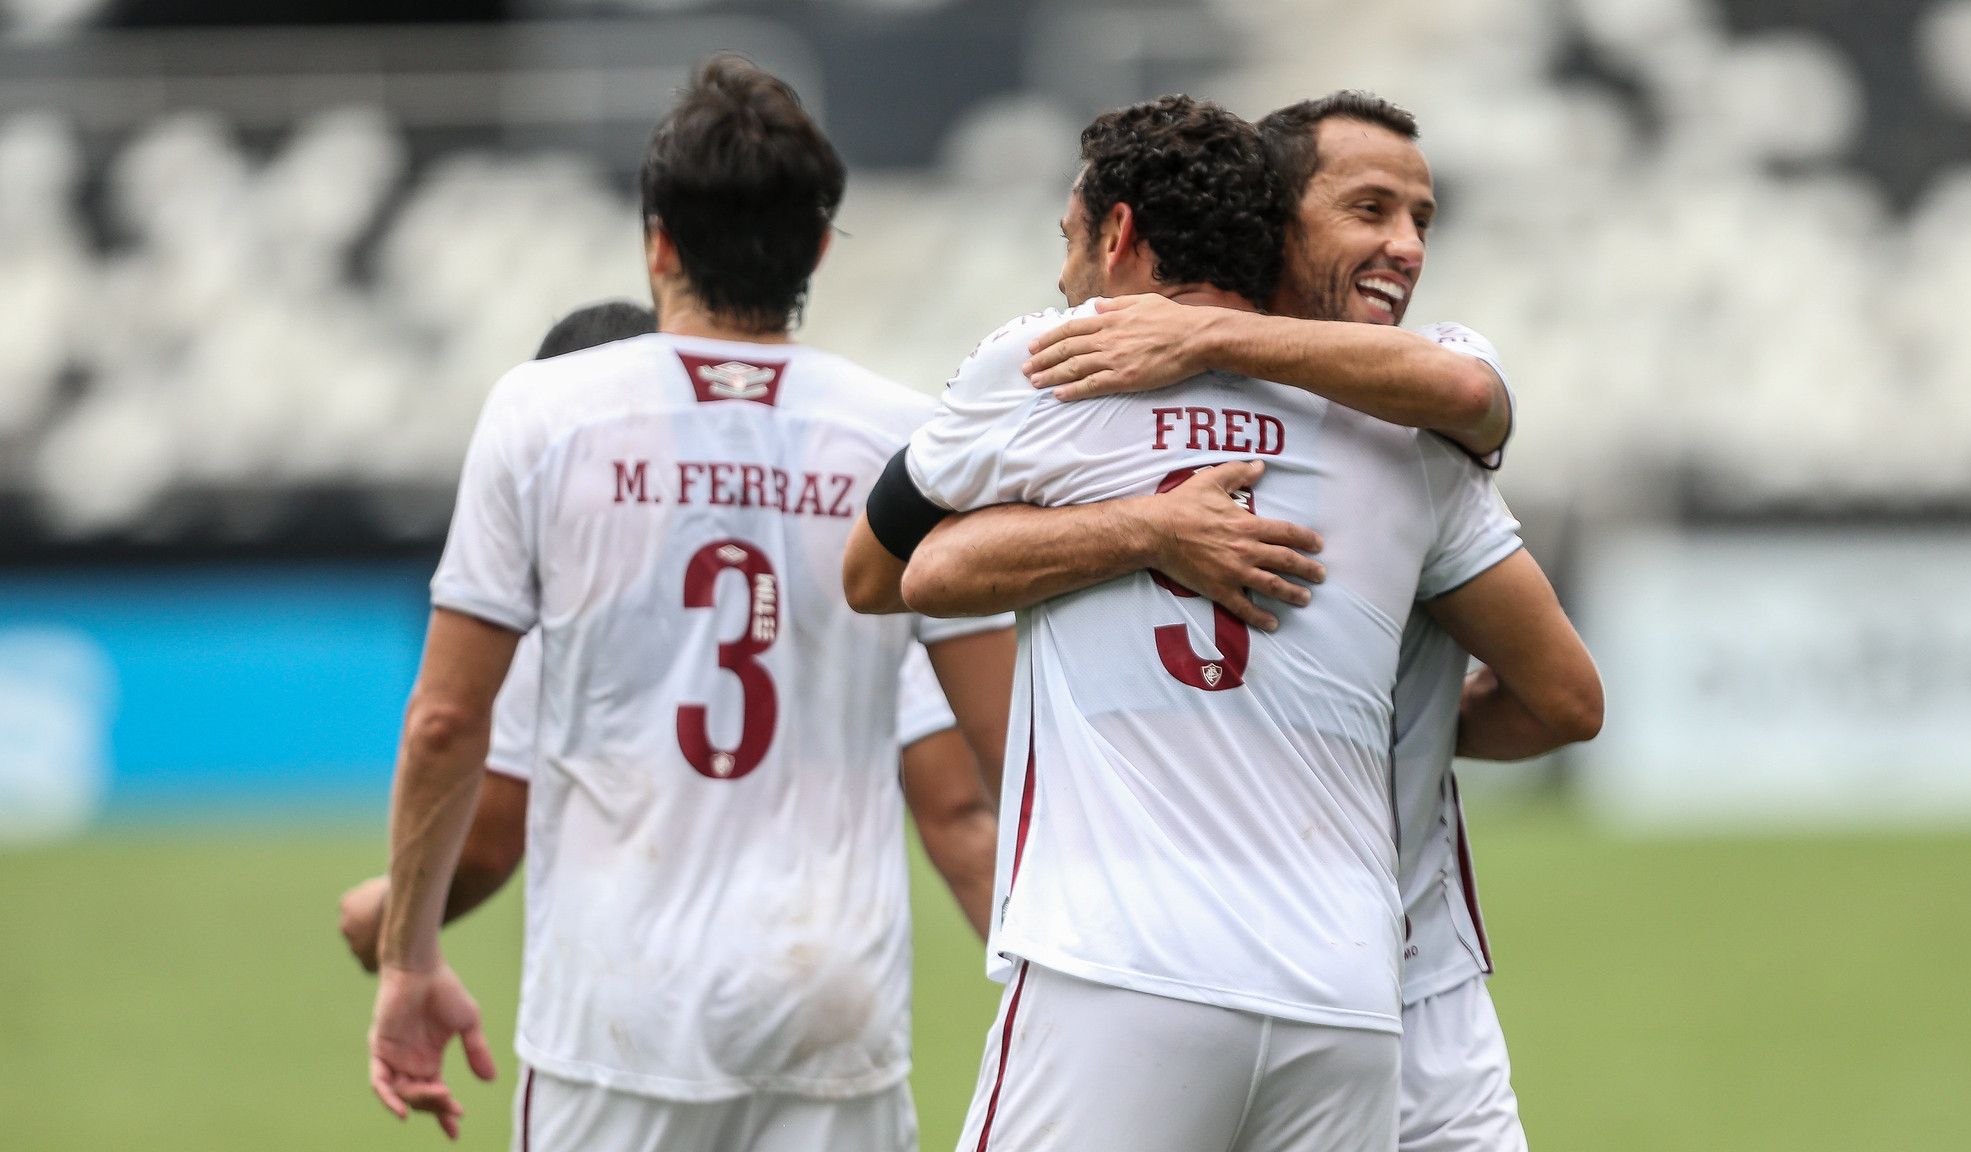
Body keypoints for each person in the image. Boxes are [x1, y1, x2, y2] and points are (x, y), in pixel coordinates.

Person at [846, 93, 1597, 1152]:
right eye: (1370, 208)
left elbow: (894, 573)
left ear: (1113, 236)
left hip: (1134, 961)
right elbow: (1563, 693)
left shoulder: (1061, 367)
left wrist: (1189, 367)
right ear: (1275, 221)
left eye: (1420, 218)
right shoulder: (1411, 444)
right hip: (1357, 978)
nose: (1403, 244)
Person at [365, 55, 1013, 1151]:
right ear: (816, 245)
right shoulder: (904, 436)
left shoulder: (544, 415)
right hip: (831, 1006)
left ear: (656, 239)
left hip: (618, 1012)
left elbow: (444, 722)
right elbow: (1012, 753)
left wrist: (408, 956)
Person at [337, 303, 999, 971]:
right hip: (819, 966)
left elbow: (481, 815)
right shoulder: (839, 565)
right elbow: (958, 807)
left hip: (629, 979)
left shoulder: (556, 607)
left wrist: (395, 921)